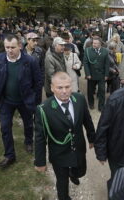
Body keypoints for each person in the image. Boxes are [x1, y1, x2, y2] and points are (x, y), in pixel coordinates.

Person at [34, 72, 95, 200]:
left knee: (80, 170)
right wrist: (40, 162)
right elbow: (40, 138)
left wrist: (92, 138)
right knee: (62, 181)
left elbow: (87, 120)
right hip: (59, 152)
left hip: (78, 147)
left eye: (67, 87)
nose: (64, 91)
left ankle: (73, 173)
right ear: (52, 88)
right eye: (59, 88)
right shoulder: (44, 109)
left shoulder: (79, 99)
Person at [0, 34, 42, 169]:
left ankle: (28, 141)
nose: (9, 50)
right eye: (7, 47)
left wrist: (35, 100)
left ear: (20, 45)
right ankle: (10, 155)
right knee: (5, 128)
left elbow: (38, 82)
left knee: (28, 123)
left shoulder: (30, 61)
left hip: (24, 100)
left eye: (12, 47)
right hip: (6, 101)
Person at [83, 37, 109, 111]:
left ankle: (101, 106)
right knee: (90, 91)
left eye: (96, 43)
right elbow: (85, 63)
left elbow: (107, 64)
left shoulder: (105, 51)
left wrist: (106, 75)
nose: (94, 44)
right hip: (91, 75)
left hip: (102, 75)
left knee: (102, 91)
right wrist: (87, 74)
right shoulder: (87, 50)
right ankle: (91, 104)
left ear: (100, 44)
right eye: (93, 43)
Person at [23, 32, 45, 102]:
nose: (36, 43)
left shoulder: (40, 51)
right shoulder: (21, 52)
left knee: (37, 102)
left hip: (37, 83)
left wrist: (41, 81)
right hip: (25, 83)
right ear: (27, 40)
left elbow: (42, 67)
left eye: (36, 41)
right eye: (33, 40)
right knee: (26, 103)